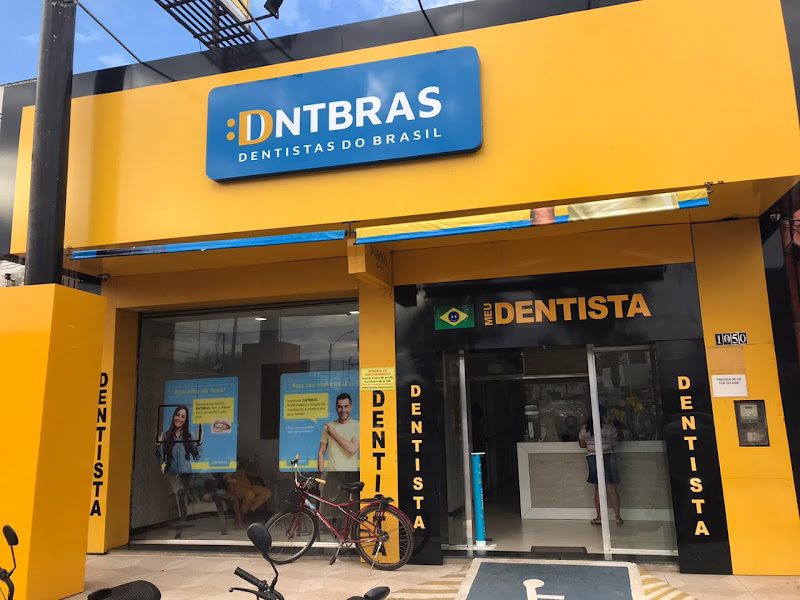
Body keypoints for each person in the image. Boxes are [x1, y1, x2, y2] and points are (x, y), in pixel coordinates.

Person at [578, 407, 623, 525]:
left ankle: (599, 517)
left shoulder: (584, 429)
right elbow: (618, 439)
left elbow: (582, 444)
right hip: (609, 456)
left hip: (593, 457)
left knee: (598, 488)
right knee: (611, 487)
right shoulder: (609, 427)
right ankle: (618, 517)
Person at [317, 393, 359, 472]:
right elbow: (321, 452)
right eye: (340, 407)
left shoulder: (358, 426)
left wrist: (333, 434)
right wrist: (320, 474)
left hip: (351, 475)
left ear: (351, 407)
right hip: (331, 474)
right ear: (336, 408)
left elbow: (353, 449)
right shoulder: (327, 427)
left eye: (346, 406)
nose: (343, 410)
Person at [157, 405, 202, 474]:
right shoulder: (166, 435)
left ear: (185, 420)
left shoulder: (190, 435)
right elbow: (160, 460)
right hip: (170, 477)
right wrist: (158, 445)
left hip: (187, 476)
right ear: (174, 416)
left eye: (183, 417)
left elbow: (196, 457)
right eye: (177, 415)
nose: (179, 418)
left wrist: (199, 443)